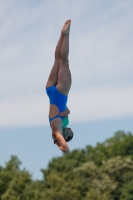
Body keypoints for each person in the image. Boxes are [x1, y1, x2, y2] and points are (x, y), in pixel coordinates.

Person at [46, 20, 73, 153]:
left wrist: (59, 144)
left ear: (65, 137)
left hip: (61, 92)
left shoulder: (57, 130)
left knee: (64, 61)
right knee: (57, 60)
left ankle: (65, 35)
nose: (70, 130)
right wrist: (67, 112)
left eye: (70, 134)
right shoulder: (59, 123)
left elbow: (66, 150)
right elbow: (64, 109)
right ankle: (62, 35)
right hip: (50, 91)